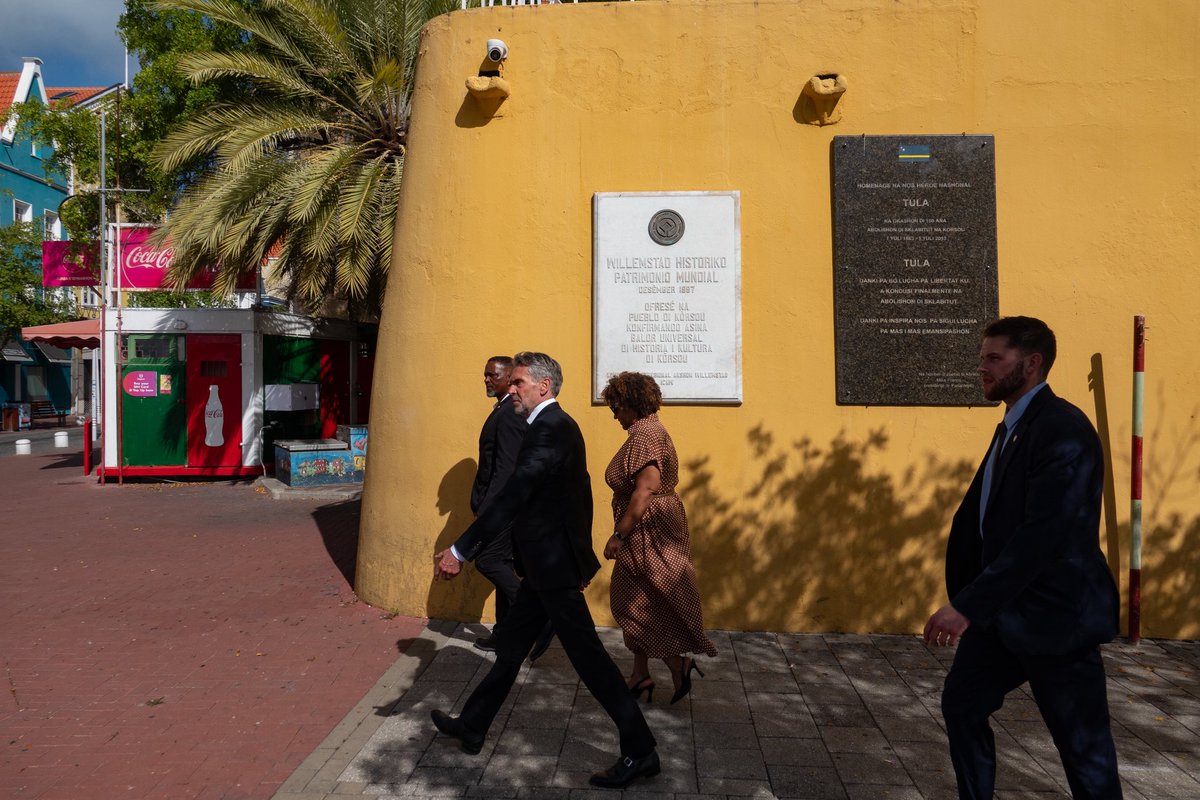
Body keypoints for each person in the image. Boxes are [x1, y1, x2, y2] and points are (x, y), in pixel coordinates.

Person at [431, 352, 659, 789]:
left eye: (518, 382)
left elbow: (515, 494)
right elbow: (580, 494)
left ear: (543, 387)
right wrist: (582, 557)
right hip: (543, 564)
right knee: (512, 649)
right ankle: (474, 724)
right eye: (512, 382)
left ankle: (640, 749)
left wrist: (461, 550)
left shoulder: (551, 428)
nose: (511, 389)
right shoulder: (556, 427)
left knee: (589, 659)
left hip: (550, 567)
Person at [924, 316, 1122, 800]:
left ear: (1031, 363)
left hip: (1058, 619)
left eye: (994, 358)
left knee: (1084, 753)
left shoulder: (1063, 430)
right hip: (1005, 617)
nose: (982, 368)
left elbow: (1043, 536)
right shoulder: (1013, 425)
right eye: (982, 357)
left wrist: (968, 605)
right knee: (962, 705)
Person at [599, 372, 717, 705]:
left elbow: (646, 490)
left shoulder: (645, 436)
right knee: (644, 596)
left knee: (631, 601)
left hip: (648, 529)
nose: (614, 415)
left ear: (633, 405)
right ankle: (640, 675)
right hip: (653, 525)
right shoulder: (647, 430)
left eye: (617, 407)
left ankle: (677, 662)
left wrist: (619, 535)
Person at [468, 356, 525, 651]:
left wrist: (489, 510)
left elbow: (505, 468)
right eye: (485, 375)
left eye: (493, 375)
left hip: (500, 507)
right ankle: (505, 634)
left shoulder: (509, 414)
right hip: (499, 505)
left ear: (508, 377)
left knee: (488, 561)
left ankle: (533, 613)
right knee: (501, 562)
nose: (487, 380)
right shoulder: (502, 409)